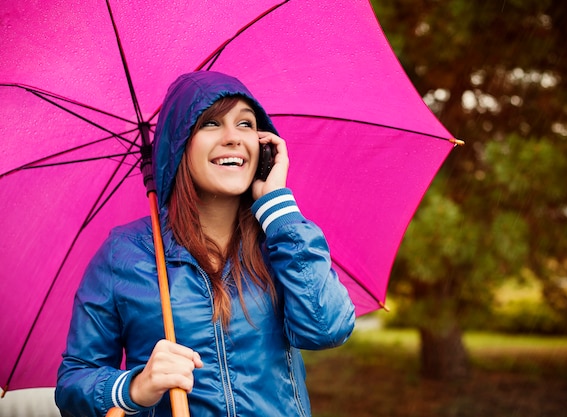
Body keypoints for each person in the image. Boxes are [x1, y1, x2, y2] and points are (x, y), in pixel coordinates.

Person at [55, 71, 356, 417]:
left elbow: (327, 328)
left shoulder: (280, 239)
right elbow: (73, 383)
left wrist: (277, 206)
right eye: (211, 124)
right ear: (180, 143)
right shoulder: (123, 253)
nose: (233, 138)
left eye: (245, 124)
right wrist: (135, 387)